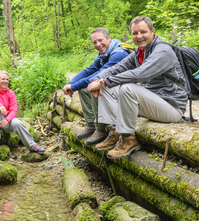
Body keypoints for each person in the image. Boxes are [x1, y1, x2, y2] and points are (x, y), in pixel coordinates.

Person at [87, 16, 188, 159]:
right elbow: (117, 68)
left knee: (127, 87)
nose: (139, 36)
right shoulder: (140, 52)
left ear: (152, 31)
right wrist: (98, 80)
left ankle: (129, 139)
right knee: (106, 87)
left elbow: (139, 74)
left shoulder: (163, 51)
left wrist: (104, 81)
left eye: (143, 32)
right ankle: (116, 131)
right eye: (135, 33)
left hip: (172, 107)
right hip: (152, 103)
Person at [62, 28, 131, 145]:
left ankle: (101, 128)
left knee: (95, 85)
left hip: (128, 92)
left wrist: (73, 87)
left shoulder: (119, 53)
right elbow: (90, 69)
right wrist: (71, 83)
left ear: (108, 38)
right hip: (114, 88)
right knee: (84, 88)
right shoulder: (103, 54)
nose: (98, 44)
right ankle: (92, 124)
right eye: (94, 42)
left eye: (100, 40)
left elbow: (99, 75)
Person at [0, 70, 45, 153]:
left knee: (18, 123)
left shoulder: (11, 93)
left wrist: (7, 120)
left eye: (7, 79)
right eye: (3, 79)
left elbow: (14, 110)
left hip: (4, 121)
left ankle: (32, 145)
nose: (5, 81)